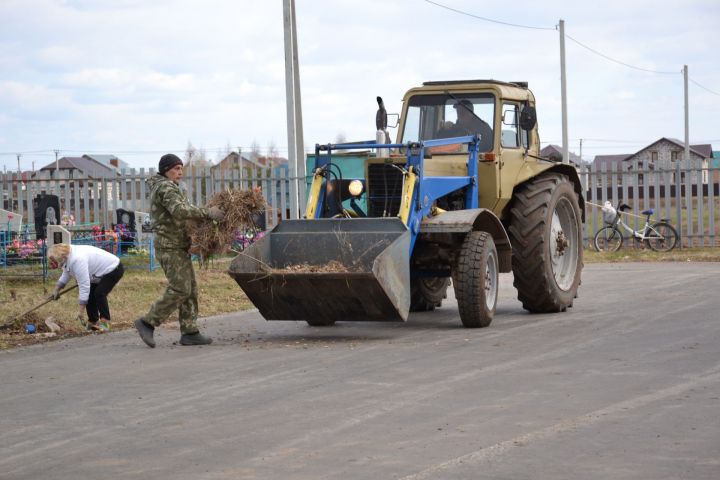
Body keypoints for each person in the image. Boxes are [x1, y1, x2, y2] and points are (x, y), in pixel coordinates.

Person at [134, 153, 224, 348]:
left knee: (190, 288)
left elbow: (183, 212)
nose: (180, 172)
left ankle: (190, 331)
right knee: (181, 288)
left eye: (181, 168)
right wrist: (208, 213)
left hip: (177, 245)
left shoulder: (170, 187)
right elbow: (180, 211)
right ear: (166, 170)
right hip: (169, 247)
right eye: (176, 168)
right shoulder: (165, 187)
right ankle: (148, 321)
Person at [49, 243, 124, 332]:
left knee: (99, 293)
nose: (53, 263)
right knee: (90, 295)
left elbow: (84, 287)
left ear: (63, 256)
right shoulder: (67, 256)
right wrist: (57, 289)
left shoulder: (78, 259)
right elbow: (66, 272)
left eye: (55, 261)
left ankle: (105, 323)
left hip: (113, 268)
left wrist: (81, 311)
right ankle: (93, 321)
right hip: (97, 272)